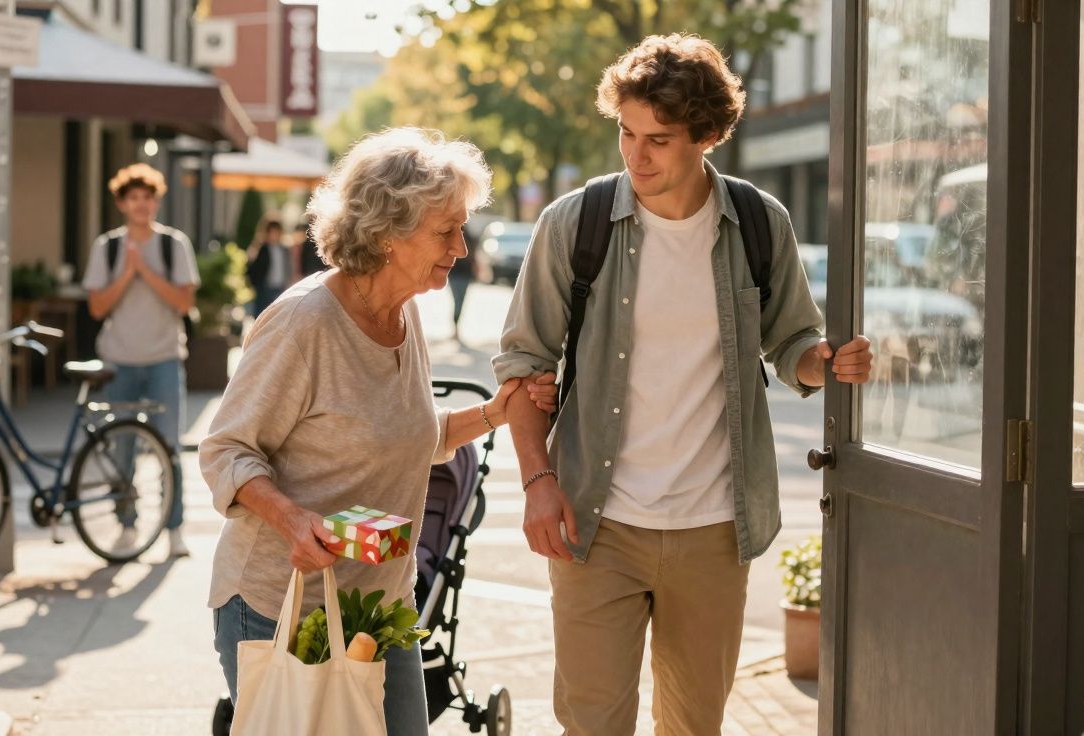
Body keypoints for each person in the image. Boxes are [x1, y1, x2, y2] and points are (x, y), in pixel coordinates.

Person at [494, 35, 874, 735]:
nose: (636, 157)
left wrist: (826, 362)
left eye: (658, 140)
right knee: (592, 723)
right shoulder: (573, 224)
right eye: (626, 134)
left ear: (707, 135)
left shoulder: (760, 224)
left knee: (694, 726)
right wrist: (537, 482)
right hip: (594, 523)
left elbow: (790, 341)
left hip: (712, 528)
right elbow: (523, 361)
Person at [199, 128, 557, 733]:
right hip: (283, 607)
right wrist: (292, 518)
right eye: (446, 231)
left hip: (382, 606)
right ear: (388, 233)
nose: (462, 248)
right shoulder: (303, 324)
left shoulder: (404, 312)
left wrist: (499, 409)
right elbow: (225, 452)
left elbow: (411, 438)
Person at [83, 162, 199, 559]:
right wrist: (125, 272)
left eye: (147, 198)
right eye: (133, 198)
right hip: (119, 361)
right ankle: (126, 526)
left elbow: (184, 302)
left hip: (164, 359)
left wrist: (144, 271)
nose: (141, 205)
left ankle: (174, 529)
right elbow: (97, 307)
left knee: (169, 448)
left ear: (156, 201)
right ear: (121, 203)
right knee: (122, 449)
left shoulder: (173, 244)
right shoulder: (108, 246)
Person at [246, 215, 295, 318]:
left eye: (277, 232)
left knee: (278, 317)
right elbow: (252, 269)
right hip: (265, 288)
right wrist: (257, 285)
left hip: (280, 287)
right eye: (272, 232)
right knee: (262, 316)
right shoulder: (262, 249)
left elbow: (287, 266)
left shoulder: (284, 249)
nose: (274, 235)